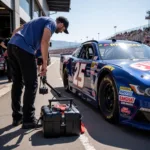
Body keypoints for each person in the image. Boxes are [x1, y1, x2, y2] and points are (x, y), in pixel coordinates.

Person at [7, 16, 69, 129]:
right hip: (23, 49)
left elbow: (16, 31)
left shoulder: (37, 21)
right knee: (32, 84)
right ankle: (28, 119)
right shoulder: (51, 23)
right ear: (61, 24)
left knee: (17, 83)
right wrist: (45, 64)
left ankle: (17, 117)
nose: (61, 32)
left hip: (12, 46)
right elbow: (44, 42)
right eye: (63, 29)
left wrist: (12, 45)